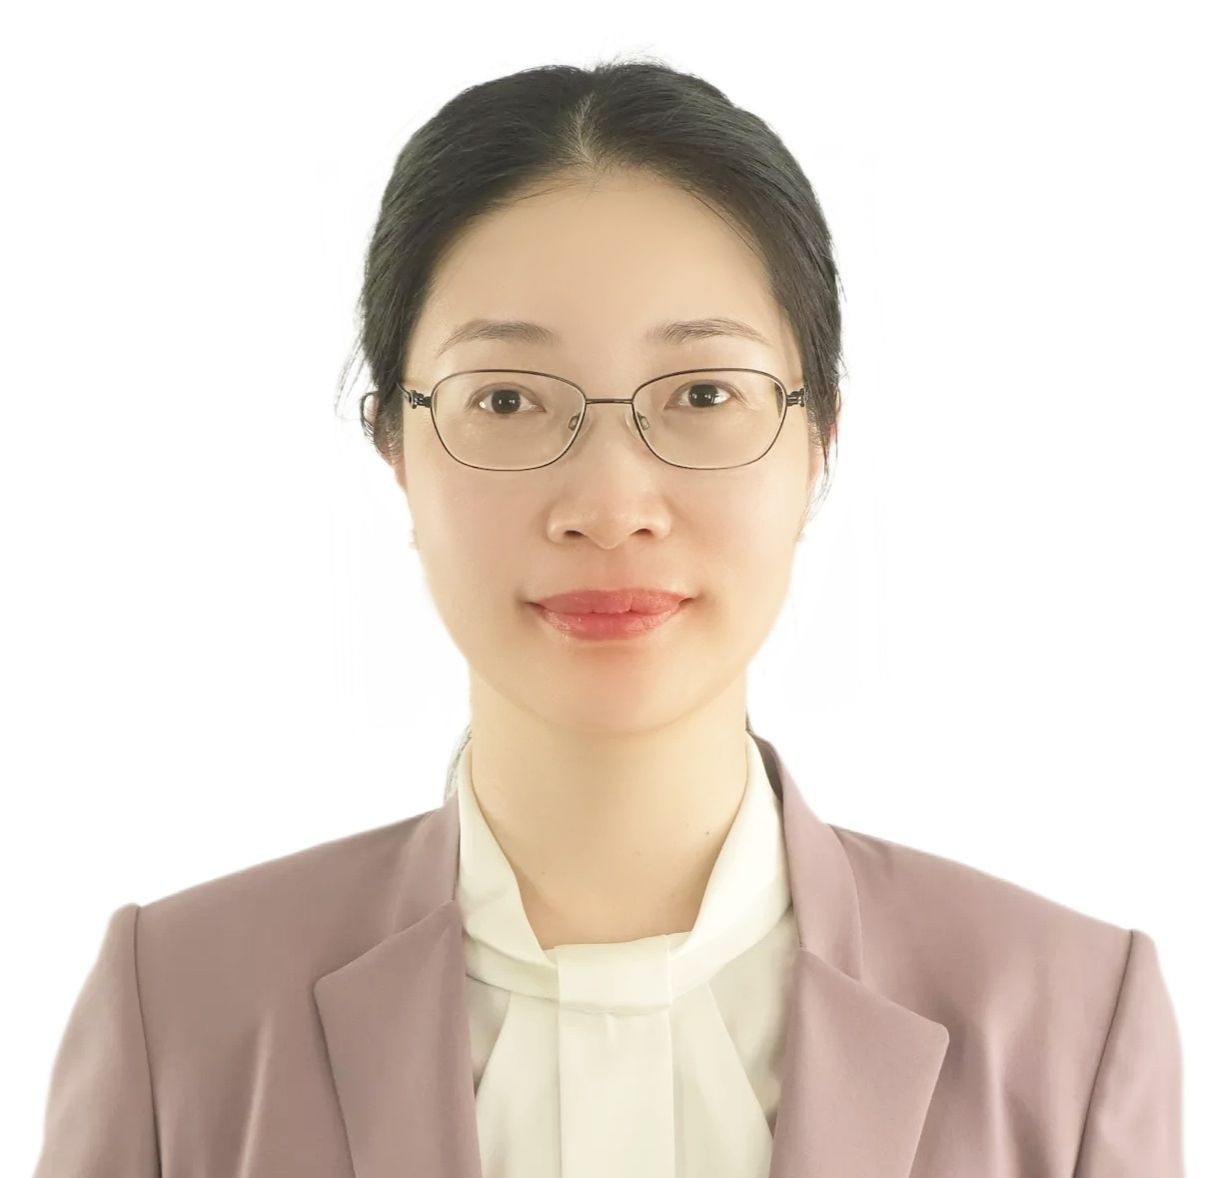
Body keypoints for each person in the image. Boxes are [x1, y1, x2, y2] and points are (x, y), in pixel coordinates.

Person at [32, 56, 1184, 1178]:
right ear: (396, 450)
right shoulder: (178, 1010)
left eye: (702, 393)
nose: (609, 505)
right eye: (504, 399)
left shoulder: (1070, 1025)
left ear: (817, 442)